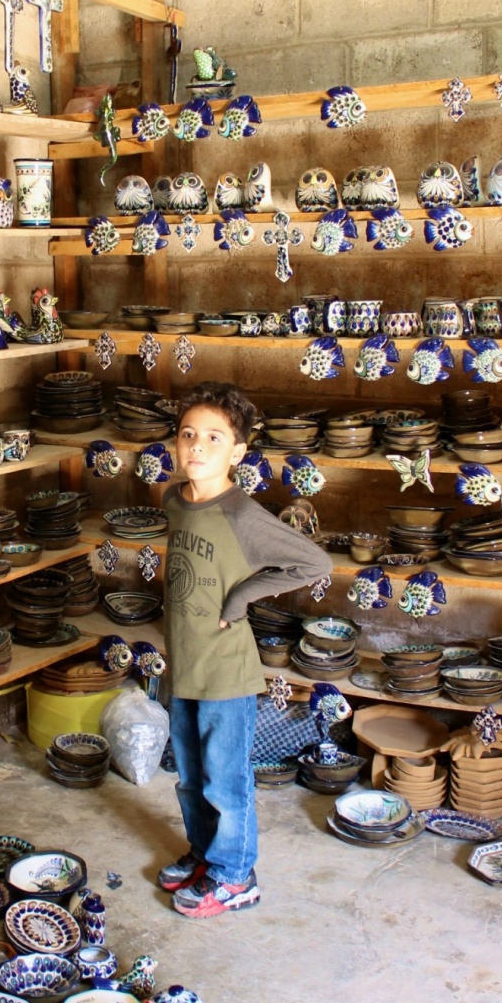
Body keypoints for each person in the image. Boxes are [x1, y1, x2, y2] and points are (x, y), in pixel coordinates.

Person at [157, 382, 332, 917]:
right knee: (189, 778)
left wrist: (241, 597)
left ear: (237, 453)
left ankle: (237, 875)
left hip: (227, 672)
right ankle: (206, 854)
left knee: (224, 780)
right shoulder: (174, 499)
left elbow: (313, 564)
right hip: (185, 664)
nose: (198, 446)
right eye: (189, 435)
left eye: (214, 437)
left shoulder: (242, 516)